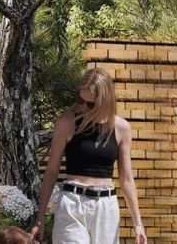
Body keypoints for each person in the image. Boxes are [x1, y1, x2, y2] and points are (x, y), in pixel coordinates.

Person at [31, 68, 147, 244]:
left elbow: (127, 179)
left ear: (104, 102)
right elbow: (52, 171)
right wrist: (40, 217)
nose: (83, 107)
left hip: (106, 207)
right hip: (72, 204)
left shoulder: (121, 128)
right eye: (80, 100)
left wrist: (138, 223)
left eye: (90, 104)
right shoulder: (67, 122)